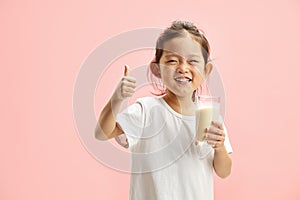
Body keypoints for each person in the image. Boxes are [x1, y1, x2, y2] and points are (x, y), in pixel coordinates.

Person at [95, 21, 233, 200]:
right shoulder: (146, 110)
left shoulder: (210, 117)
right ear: (157, 69)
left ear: (206, 70)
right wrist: (117, 98)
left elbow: (224, 171)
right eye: (173, 61)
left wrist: (220, 146)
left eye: (192, 61)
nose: (183, 68)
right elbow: (102, 133)